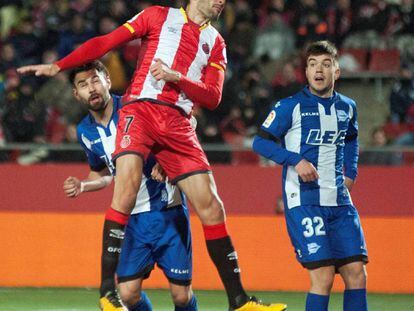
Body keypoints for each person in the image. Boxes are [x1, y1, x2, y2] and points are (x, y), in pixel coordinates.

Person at [18, 1, 286, 310]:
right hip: (140, 110)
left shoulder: (217, 42)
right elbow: (107, 42)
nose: (222, 1)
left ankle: (239, 300)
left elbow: (212, 97)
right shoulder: (158, 15)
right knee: (126, 189)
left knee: (212, 208)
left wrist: (177, 78)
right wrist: (59, 65)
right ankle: (108, 291)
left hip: (178, 122)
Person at [63, 61, 197, 311]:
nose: (91, 88)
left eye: (95, 80)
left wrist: (169, 162)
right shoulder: (85, 132)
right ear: (76, 93)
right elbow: (104, 175)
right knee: (128, 294)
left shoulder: (135, 104)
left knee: (181, 296)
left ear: (108, 81)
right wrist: (84, 185)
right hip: (131, 219)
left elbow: (187, 122)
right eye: (83, 84)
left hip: (168, 210)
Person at [253, 41, 368, 311]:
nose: (319, 70)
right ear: (305, 72)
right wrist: (295, 160)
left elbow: (352, 140)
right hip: (304, 201)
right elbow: (260, 143)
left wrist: (351, 172)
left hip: (340, 202)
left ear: (336, 72)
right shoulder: (289, 106)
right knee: (323, 276)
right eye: (313, 64)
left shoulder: (348, 107)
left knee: (356, 274)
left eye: (326, 64)